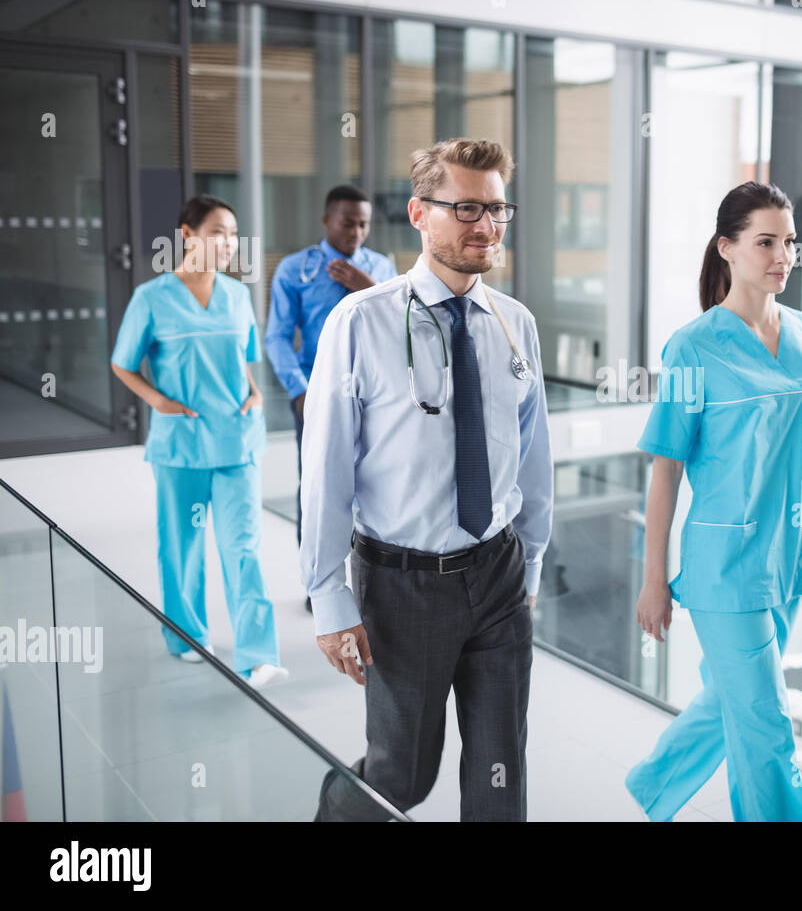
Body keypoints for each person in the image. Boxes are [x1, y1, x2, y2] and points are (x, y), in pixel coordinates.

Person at [302, 138, 553, 821]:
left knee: (501, 780)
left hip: (498, 574)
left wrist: (528, 562)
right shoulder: (360, 322)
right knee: (401, 777)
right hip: (402, 585)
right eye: (466, 207)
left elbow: (533, 458)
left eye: (498, 209)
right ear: (419, 212)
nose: (486, 226)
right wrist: (328, 597)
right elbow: (325, 471)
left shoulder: (515, 324)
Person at [625, 181, 802, 821]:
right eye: (766, 241)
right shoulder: (692, 346)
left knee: (733, 703)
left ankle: (652, 786)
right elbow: (666, 472)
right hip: (723, 565)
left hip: (792, 558)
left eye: (790, 241)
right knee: (769, 724)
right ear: (728, 249)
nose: (783, 255)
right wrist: (653, 579)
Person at [110, 194, 289, 690]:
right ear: (187, 235)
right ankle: (187, 636)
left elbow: (246, 359)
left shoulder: (237, 296)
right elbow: (122, 363)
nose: (229, 243)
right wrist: (158, 402)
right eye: (218, 232)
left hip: (237, 442)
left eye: (233, 234)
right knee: (182, 545)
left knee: (243, 547)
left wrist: (254, 392)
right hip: (182, 446)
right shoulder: (152, 298)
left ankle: (258, 655)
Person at [264, 185, 398, 611]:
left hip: (377, 396)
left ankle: (371, 582)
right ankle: (321, 587)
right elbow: (278, 337)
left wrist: (368, 286)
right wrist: (299, 390)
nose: (356, 232)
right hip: (317, 398)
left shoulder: (382, 268)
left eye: (363, 224)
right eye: (347, 222)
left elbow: (402, 328)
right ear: (327, 220)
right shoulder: (294, 269)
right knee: (320, 489)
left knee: (376, 486)